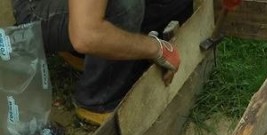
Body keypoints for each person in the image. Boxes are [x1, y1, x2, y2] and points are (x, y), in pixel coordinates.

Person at [11, 0, 193, 125]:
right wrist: (156, 49)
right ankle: (98, 99)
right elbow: (86, 35)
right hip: (38, 9)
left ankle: (107, 53)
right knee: (125, 6)